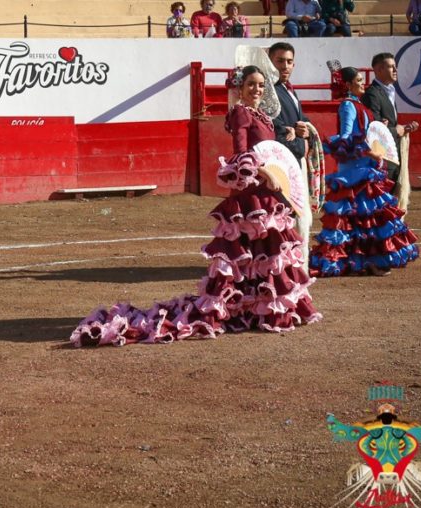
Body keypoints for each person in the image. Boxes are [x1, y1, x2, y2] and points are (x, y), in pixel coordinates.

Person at [71, 65, 322, 347]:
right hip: (252, 192)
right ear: (240, 88)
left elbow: (270, 151)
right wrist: (265, 173)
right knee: (250, 256)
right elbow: (241, 153)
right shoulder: (241, 112)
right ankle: (242, 307)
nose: (257, 90)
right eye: (251, 84)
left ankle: (258, 308)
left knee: (264, 255)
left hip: (268, 193)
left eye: (261, 85)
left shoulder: (262, 115)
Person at [309, 66, 419, 277]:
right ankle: (363, 260)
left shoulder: (356, 105)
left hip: (363, 166)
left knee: (363, 216)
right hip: (356, 167)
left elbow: (361, 132)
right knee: (363, 214)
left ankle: (364, 259)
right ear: (348, 85)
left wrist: (379, 128)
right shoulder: (349, 106)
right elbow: (346, 136)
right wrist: (368, 150)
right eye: (359, 80)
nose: (363, 83)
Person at [268, 42, 318, 257]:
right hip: (281, 164)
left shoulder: (288, 89)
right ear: (270, 62)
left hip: (293, 160)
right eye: (280, 61)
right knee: (285, 213)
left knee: (294, 212)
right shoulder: (269, 91)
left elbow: (302, 121)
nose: (285, 66)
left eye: (289, 62)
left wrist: (306, 131)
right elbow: (276, 130)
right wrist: (301, 144)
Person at [361, 52, 419, 200]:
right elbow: (373, 130)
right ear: (379, 70)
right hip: (382, 158)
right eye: (391, 67)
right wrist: (396, 131)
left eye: (395, 66)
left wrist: (403, 128)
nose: (395, 70)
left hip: (391, 156)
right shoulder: (372, 94)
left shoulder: (387, 91)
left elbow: (386, 124)